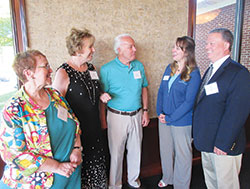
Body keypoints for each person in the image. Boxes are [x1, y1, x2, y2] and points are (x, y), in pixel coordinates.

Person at [0, 50, 82, 189]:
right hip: (38, 182)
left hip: (69, 175)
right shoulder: (14, 109)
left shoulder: (55, 95)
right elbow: (15, 155)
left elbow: (74, 123)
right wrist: (57, 167)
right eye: (45, 66)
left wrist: (77, 148)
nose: (51, 70)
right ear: (29, 73)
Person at [193, 28, 250, 189]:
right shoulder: (210, 70)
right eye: (206, 43)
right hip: (207, 141)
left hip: (223, 145)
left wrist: (224, 143)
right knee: (211, 182)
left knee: (226, 185)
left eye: (212, 43)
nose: (206, 47)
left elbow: (237, 113)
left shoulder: (238, 73)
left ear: (226, 45)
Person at [53, 28, 108, 188]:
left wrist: (102, 114)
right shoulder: (64, 73)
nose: (93, 50)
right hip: (76, 135)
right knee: (81, 175)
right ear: (77, 49)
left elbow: (94, 94)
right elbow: (57, 108)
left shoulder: (91, 69)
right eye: (90, 46)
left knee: (98, 170)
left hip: (95, 129)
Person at [99, 34, 150, 189]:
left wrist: (146, 111)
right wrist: (102, 119)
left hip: (137, 115)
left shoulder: (138, 66)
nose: (134, 49)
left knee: (136, 151)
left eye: (134, 46)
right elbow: (102, 96)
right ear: (119, 49)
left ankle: (133, 181)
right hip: (116, 117)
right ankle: (115, 184)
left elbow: (144, 88)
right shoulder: (107, 69)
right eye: (130, 46)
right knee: (116, 154)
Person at [156, 36, 201, 188]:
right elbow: (161, 91)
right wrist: (160, 113)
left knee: (183, 155)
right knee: (166, 151)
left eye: (177, 48)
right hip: (164, 119)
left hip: (181, 121)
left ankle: (181, 184)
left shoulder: (194, 73)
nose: (173, 50)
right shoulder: (170, 68)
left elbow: (189, 102)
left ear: (187, 52)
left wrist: (171, 118)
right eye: (174, 47)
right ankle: (168, 177)